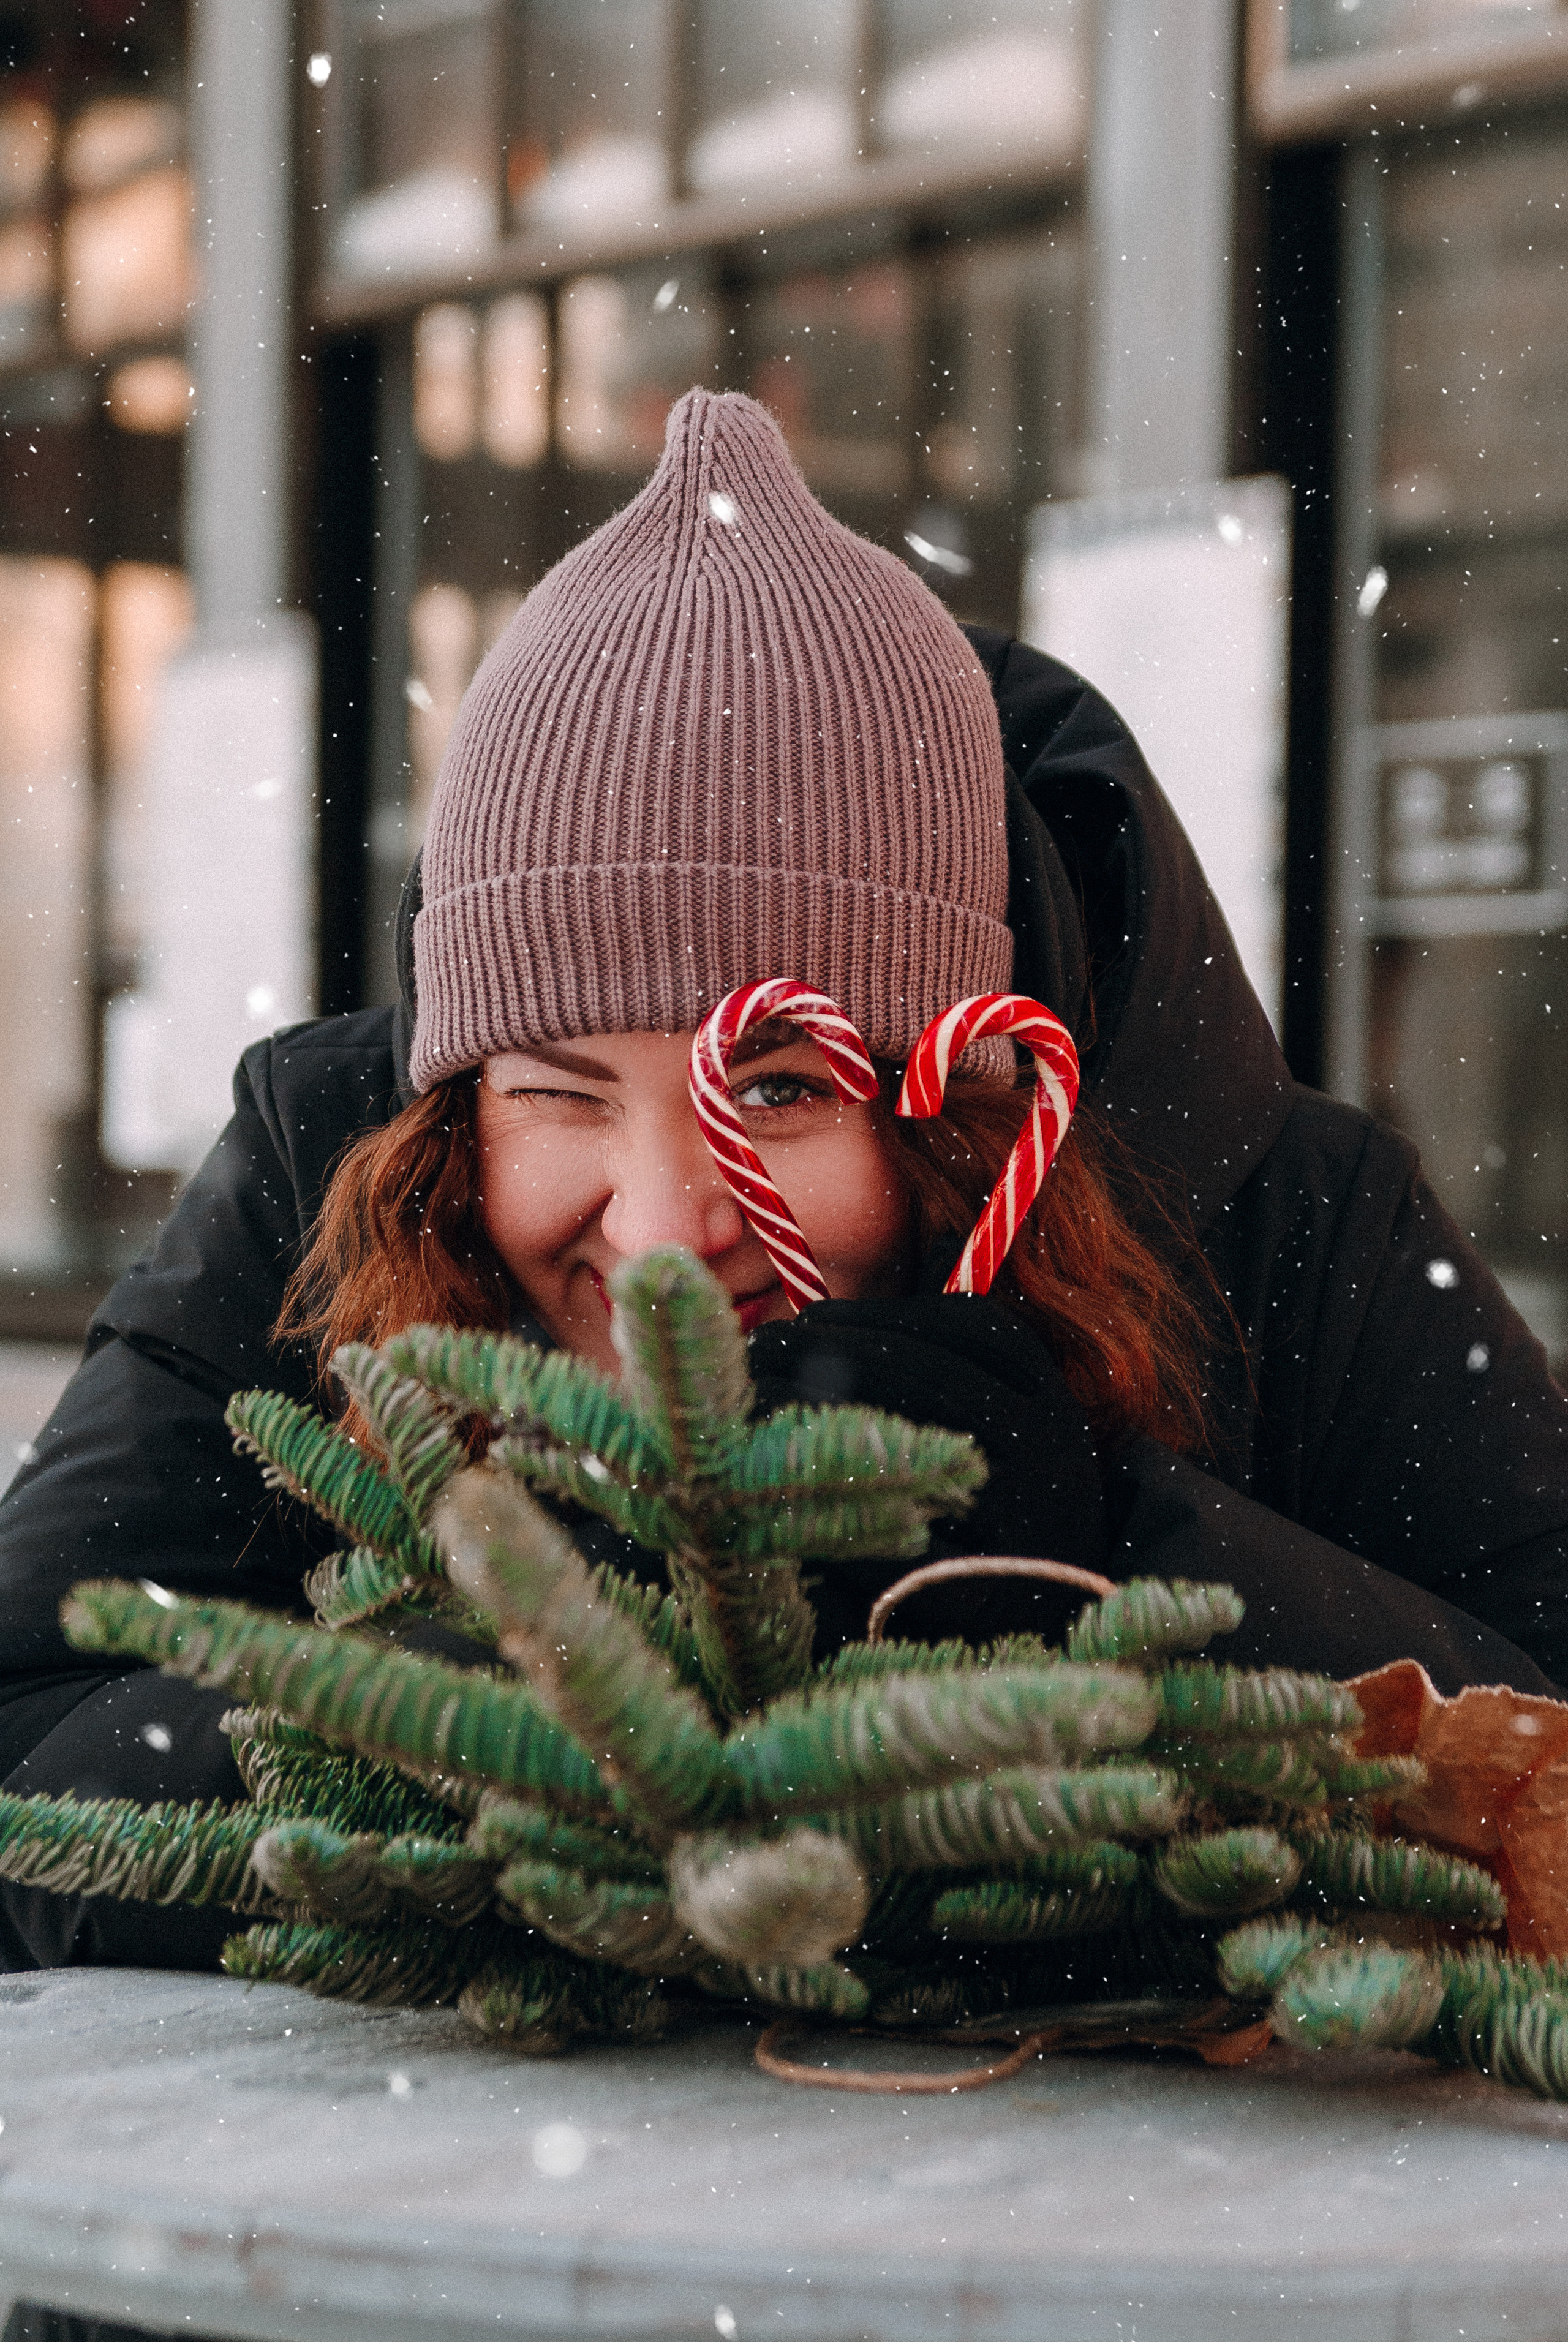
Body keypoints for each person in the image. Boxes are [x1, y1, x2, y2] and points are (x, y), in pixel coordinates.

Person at [2, 386, 1567, 1978]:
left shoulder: (1292, 1222)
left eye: (778, 1093)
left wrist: (1125, 1546)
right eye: (561, 1095)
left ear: (962, 1103)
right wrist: (544, 1660)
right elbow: (24, 1746)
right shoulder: (340, 1169)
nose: (670, 1234)